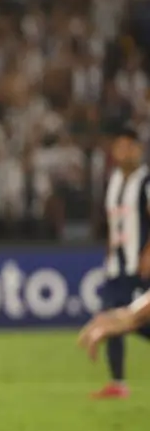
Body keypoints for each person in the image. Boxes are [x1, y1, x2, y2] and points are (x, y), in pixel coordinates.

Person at [89, 122, 150, 399]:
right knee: (111, 317)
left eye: (129, 146)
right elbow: (115, 224)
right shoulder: (113, 180)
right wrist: (110, 253)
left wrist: (148, 253)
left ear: (138, 149)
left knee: (134, 320)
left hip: (139, 266)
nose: (123, 152)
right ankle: (118, 382)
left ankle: (118, 382)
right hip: (117, 265)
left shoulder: (146, 181)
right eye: (119, 147)